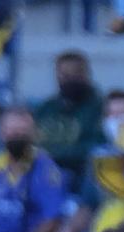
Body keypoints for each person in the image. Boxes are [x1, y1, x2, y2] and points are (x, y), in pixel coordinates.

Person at [0, 106, 74, 232]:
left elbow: (52, 220)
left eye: (22, 132)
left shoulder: (45, 169)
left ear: (33, 134)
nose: (16, 136)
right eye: (12, 131)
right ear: (2, 133)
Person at [34, 52, 107, 188]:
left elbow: (96, 147)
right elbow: (33, 143)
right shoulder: (46, 108)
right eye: (64, 75)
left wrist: (54, 153)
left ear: (86, 75)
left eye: (75, 74)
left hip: (83, 176)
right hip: (46, 175)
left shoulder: (100, 107)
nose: (69, 79)